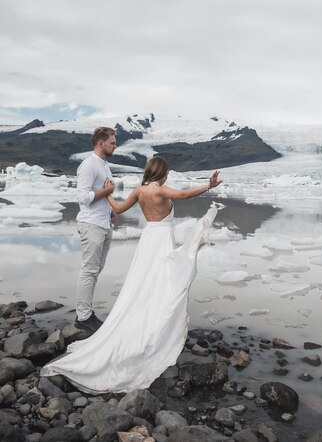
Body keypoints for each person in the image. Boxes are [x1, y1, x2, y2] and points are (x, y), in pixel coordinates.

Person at [41, 156, 222, 394]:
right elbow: (185, 196)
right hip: (162, 240)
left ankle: (140, 320)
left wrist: (107, 192)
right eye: (166, 172)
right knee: (162, 284)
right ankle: (156, 326)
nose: (167, 176)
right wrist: (208, 186)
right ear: (162, 173)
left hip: (148, 239)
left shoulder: (139, 191)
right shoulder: (161, 189)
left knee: (140, 285)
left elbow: (116, 208)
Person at [74, 127, 117, 333]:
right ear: (101, 143)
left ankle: (86, 312)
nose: (115, 145)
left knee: (95, 270)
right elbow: (82, 198)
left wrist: (110, 211)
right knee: (89, 270)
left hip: (103, 223)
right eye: (112, 142)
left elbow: (99, 194)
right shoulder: (89, 165)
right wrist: (108, 191)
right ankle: (83, 317)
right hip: (91, 224)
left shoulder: (104, 166)